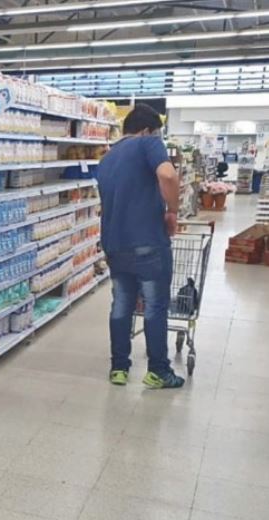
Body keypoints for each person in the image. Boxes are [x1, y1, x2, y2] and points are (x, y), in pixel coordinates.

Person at [97, 104, 184, 389]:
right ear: (147, 130)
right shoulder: (148, 143)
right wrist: (172, 212)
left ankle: (119, 368)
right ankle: (158, 371)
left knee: (121, 304)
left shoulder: (107, 158)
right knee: (155, 306)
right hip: (147, 241)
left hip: (114, 244)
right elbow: (168, 175)